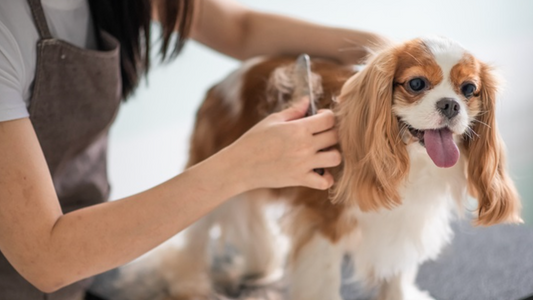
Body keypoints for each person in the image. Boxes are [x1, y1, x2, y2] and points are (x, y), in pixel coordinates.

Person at [0, 0, 387, 299]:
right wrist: (241, 166)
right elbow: (45, 256)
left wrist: (384, 54)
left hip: (89, 263)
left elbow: (239, 29)